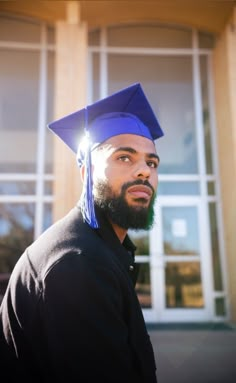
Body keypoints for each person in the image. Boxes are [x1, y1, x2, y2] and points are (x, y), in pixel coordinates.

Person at [0, 83, 164, 382]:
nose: (144, 171)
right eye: (124, 157)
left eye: (151, 162)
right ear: (87, 171)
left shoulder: (101, 248)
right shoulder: (78, 263)